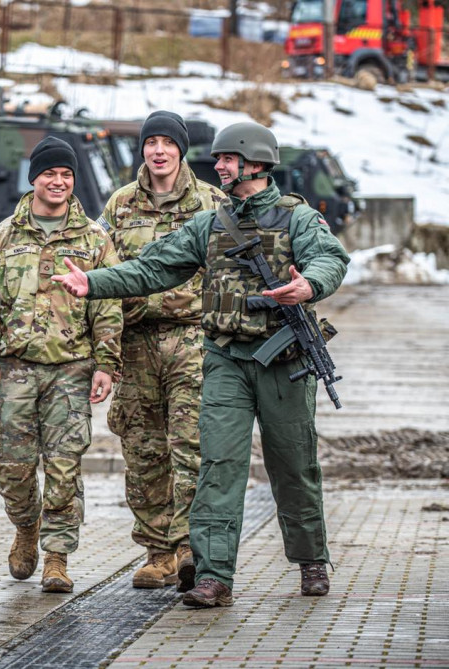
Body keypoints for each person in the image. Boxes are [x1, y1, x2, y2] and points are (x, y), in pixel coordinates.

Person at [53, 121, 349, 607]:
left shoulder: (296, 217)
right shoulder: (211, 223)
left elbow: (330, 257)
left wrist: (310, 284)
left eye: (228, 159)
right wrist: (94, 282)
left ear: (254, 163)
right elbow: (153, 266)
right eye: (219, 159)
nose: (219, 166)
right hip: (225, 358)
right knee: (218, 465)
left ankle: (311, 560)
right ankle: (214, 576)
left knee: (293, 464)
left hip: (284, 361)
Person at [0, 136, 122, 594]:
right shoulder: (2, 237)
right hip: (15, 369)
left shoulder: (95, 239)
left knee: (63, 467)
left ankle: (57, 556)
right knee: (10, 466)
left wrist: (106, 364)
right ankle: (26, 527)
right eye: (50, 173)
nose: (58, 182)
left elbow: (109, 304)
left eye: (66, 175)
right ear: (33, 177)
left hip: (71, 370)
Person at [99, 111, 226, 592]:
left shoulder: (212, 202)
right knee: (143, 449)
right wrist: (104, 352)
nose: (158, 151)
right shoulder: (120, 206)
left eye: (167, 143)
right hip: (136, 342)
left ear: (181, 150)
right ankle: (159, 551)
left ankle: (195, 546)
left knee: (192, 444)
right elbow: (104, 272)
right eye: (151, 143)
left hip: (193, 339)